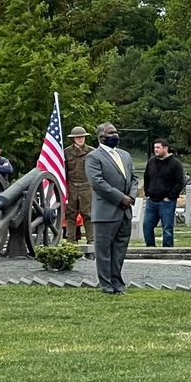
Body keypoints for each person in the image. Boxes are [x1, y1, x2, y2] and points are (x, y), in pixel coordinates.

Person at [85, 123, 138, 295]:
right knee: (104, 251)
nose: (115, 135)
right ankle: (106, 285)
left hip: (125, 211)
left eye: (116, 132)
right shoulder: (94, 157)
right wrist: (120, 197)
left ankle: (118, 283)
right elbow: (97, 183)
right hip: (106, 212)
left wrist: (131, 196)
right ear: (101, 137)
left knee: (120, 250)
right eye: (111, 133)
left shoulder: (125, 155)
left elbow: (134, 177)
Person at [142, 138, 186, 247]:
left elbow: (180, 182)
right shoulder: (151, 162)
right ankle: (150, 249)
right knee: (147, 225)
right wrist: (147, 193)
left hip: (166, 202)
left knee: (167, 228)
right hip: (151, 201)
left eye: (158, 147)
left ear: (165, 148)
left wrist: (170, 196)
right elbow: (146, 178)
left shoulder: (175, 163)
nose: (155, 150)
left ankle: (167, 250)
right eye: (154, 148)